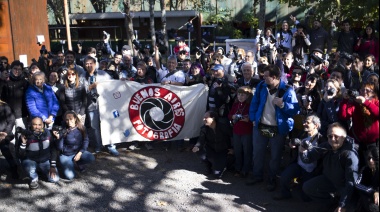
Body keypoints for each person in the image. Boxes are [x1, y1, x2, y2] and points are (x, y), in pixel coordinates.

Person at [248, 64, 300, 191]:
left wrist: (283, 105)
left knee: (275, 156)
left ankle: (272, 179)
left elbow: (295, 110)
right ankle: (257, 175)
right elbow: (254, 103)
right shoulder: (261, 86)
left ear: (275, 77)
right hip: (261, 125)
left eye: (266, 76)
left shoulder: (288, 90)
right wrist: (253, 118)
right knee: (258, 153)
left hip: (278, 128)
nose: (263, 78)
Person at [302, 122, 359, 212]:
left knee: (348, 207)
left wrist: (343, 204)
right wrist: (303, 152)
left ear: (343, 138)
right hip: (328, 179)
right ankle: (331, 203)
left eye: (336, 136)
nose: (332, 139)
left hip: (344, 186)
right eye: (330, 136)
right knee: (307, 187)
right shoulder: (326, 146)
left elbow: (351, 182)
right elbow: (308, 159)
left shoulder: (350, 154)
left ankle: (341, 204)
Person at [273, 114, 324, 201]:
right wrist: (291, 144)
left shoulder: (321, 140)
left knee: (305, 197)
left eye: (307, 122)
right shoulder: (303, 133)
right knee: (285, 176)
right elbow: (294, 142)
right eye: (304, 122)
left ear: (316, 125)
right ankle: (285, 193)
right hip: (298, 165)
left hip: (312, 170)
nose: (304, 124)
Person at [80, 56, 119, 156]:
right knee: (94, 127)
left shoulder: (103, 74)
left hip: (105, 105)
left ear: (94, 63)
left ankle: (111, 146)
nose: (88, 65)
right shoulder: (81, 76)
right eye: (86, 63)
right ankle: (98, 145)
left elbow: (112, 85)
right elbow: (81, 91)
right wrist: (90, 87)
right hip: (91, 106)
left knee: (107, 125)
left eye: (90, 63)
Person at [339, 82, 379, 160]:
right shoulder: (355, 103)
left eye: (368, 90)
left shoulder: (376, 102)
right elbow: (344, 115)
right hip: (359, 142)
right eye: (362, 90)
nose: (364, 92)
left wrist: (366, 102)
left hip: (375, 143)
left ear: (373, 93)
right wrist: (345, 100)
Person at [18, 117, 60, 189]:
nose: (37, 127)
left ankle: (40, 170)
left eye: (39, 125)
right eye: (35, 125)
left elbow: (53, 149)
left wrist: (52, 166)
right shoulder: (25, 134)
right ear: (31, 125)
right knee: (29, 166)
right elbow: (20, 154)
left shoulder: (48, 133)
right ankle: (33, 178)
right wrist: (23, 144)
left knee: (55, 179)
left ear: (43, 125)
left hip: (45, 160)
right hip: (31, 160)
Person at [52, 111, 95, 181]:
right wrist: (58, 138)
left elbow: (86, 141)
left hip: (77, 151)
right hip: (66, 154)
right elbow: (59, 148)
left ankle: (78, 163)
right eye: (66, 120)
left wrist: (80, 153)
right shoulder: (63, 130)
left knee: (91, 158)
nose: (69, 122)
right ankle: (69, 165)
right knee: (70, 176)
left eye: (71, 119)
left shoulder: (81, 128)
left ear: (75, 118)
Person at [192, 111, 232, 179]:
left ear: (213, 118)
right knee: (199, 151)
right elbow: (200, 140)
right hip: (211, 150)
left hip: (222, 151)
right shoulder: (204, 129)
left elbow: (231, 137)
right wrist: (196, 147)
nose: (204, 119)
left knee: (217, 175)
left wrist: (232, 148)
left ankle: (224, 165)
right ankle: (208, 166)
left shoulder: (223, 127)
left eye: (206, 118)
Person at [227, 86, 253, 177]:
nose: (240, 96)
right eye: (239, 94)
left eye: (243, 95)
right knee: (237, 151)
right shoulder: (236, 104)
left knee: (247, 151)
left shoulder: (250, 106)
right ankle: (237, 168)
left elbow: (252, 119)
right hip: (236, 131)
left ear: (248, 96)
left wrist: (248, 120)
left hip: (247, 131)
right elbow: (229, 115)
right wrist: (233, 117)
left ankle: (246, 169)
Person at [0, 60, 29, 130]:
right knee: (9, 139)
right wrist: (1, 80)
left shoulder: (25, 83)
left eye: (19, 69)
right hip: (7, 116)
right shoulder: (5, 81)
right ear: (11, 69)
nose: (17, 71)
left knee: (21, 137)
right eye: (15, 69)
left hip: (21, 115)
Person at [355, 146, 379, 212]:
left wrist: (377, 192)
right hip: (367, 197)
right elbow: (357, 184)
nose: (370, 161)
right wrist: (373, 192)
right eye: (368, 158)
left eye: (373, 158)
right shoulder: (365, 169)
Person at [0, 100, 18, 179]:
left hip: (4, 134)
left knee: (6, 152)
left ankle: (14, 169)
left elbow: (11, 120)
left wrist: (5, 133)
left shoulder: (4, 106)